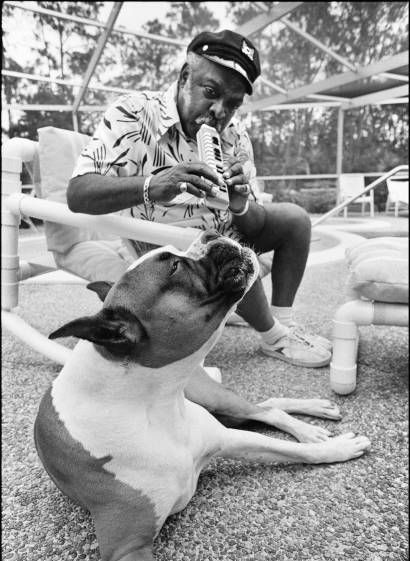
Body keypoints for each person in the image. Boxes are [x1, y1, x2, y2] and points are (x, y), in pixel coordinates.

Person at [67, 29, 331, 368]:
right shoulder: (133, 113)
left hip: (222, 232)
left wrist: (239, 202)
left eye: (233, 104)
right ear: (184, 77)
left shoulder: (235, 135)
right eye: (211, 92)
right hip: (161, 244)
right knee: (221, 245)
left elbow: (253, 222)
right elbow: (78, 193)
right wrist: (150, 185)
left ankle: (284, 326)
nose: (220, 111)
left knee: (294, 220)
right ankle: (273, 334)